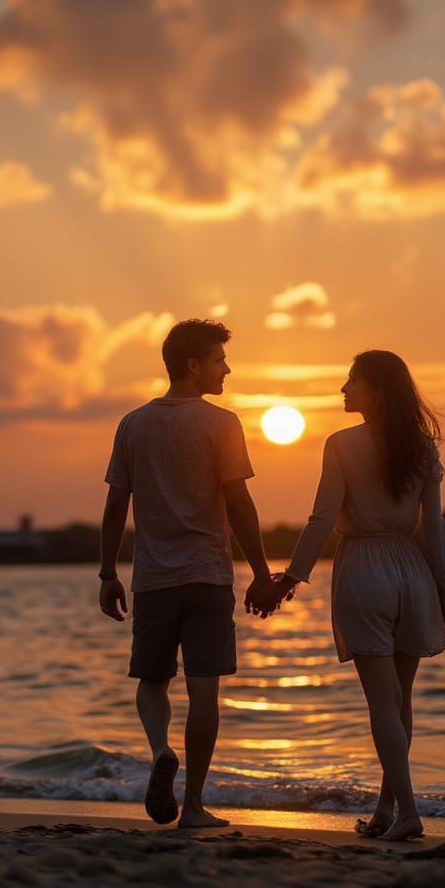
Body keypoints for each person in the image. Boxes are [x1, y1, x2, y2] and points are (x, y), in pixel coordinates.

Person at [251, 350, 445, 842]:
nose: (343, 389)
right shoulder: (423, 447)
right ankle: (387, 810)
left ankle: (407, 812)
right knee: (400, 700)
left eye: (352, 381)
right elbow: (434, 527)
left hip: (364, 567)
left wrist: (291, 578)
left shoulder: (342, 444)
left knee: (383, 705)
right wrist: (444, 590)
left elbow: (322, 518)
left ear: (377, 390)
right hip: (413, 570)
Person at [98, 319, 282, 829]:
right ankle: (195, 805)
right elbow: (240, 504)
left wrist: (107, 572)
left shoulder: (133, 424)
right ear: (193, 365)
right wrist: (262, 572)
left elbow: (116, 504)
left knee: (152, 680)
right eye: (220, 360)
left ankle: (160, 749)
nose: (227, 368)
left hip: (153, 579)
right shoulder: (220, 423)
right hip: (206, 576)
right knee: (205, 691)